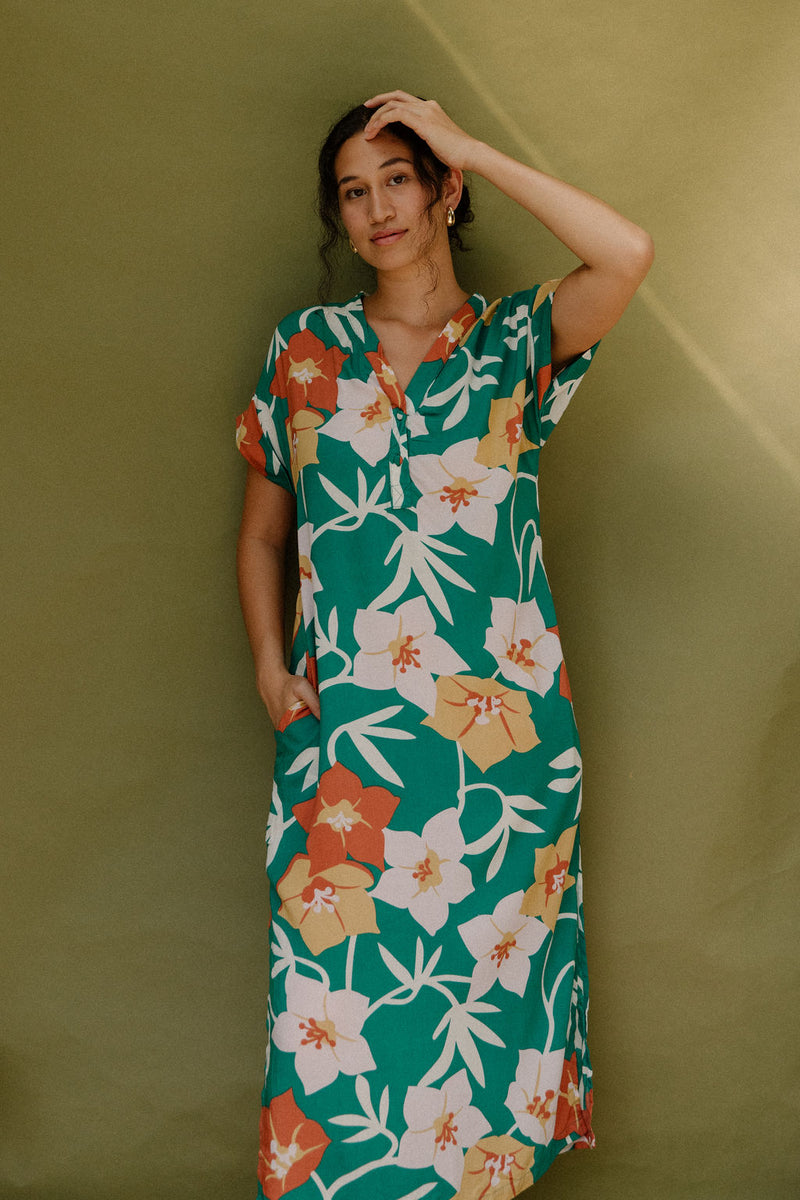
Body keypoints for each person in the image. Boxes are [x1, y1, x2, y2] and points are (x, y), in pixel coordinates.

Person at [236, 90, 653, 1199]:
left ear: (441, 191)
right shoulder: (305, 352)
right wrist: (273, 672)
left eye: (401, 178)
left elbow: (626, 253)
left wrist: (469, 142)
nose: (376, 208)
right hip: (350, 766)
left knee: (481, 1055)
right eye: (353, 190)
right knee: (338, 1038)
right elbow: (263, 535)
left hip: (499, 767)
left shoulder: (517, 340)